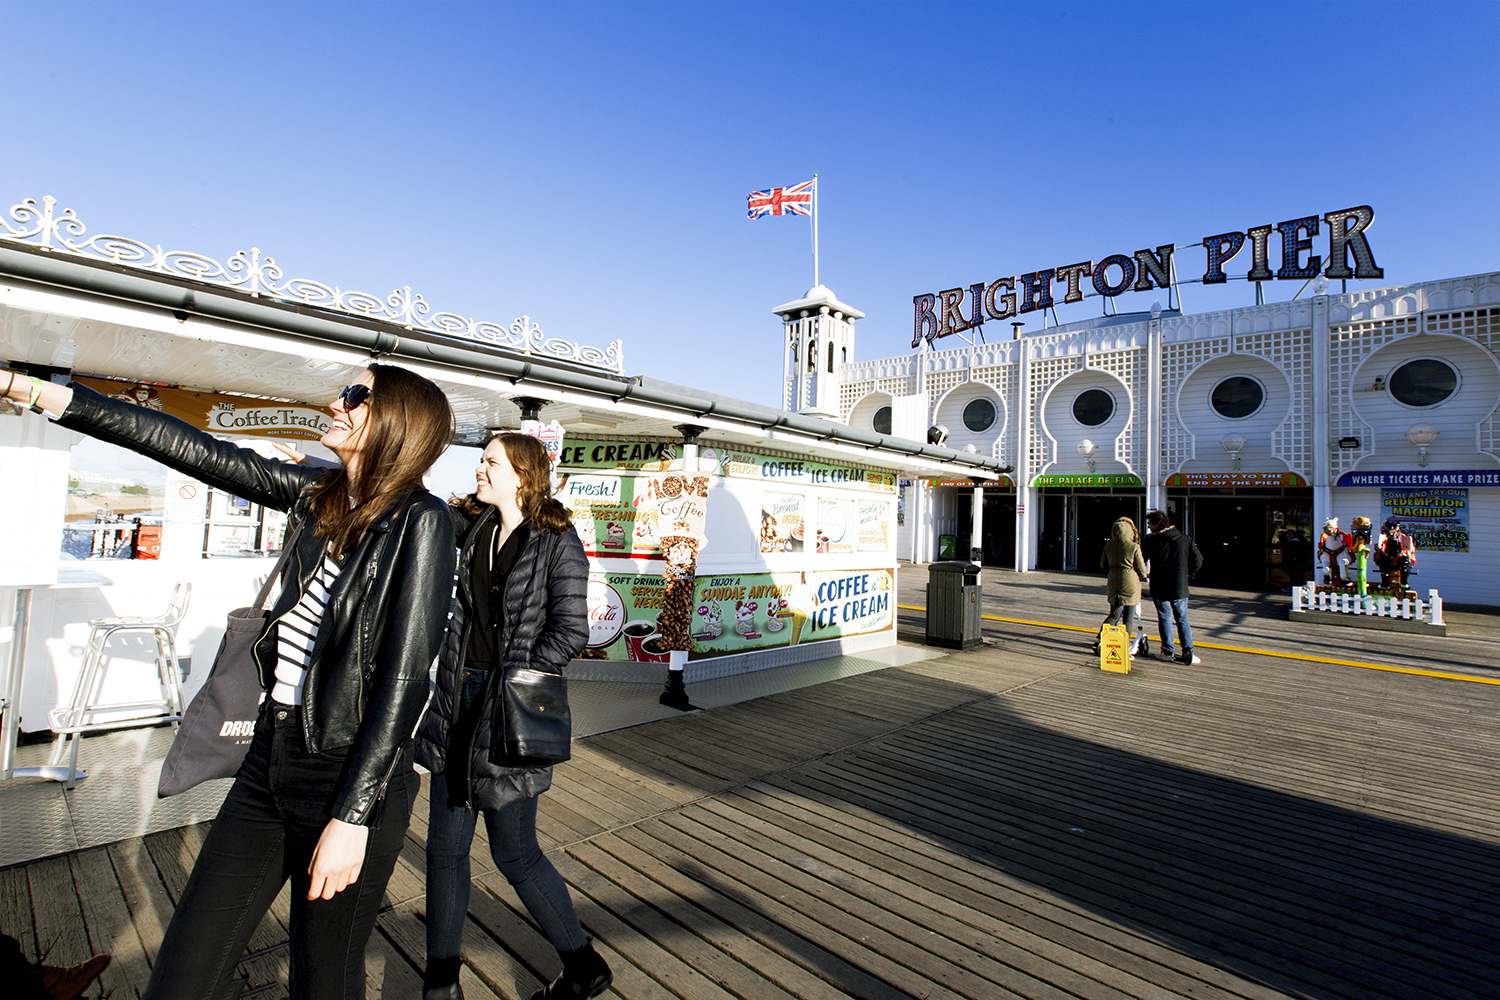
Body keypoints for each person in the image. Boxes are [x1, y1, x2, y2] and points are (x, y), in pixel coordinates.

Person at [2, 365, 457, 1000]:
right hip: (270, 761)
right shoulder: (317, 496)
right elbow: (188, 447)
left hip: (350, 776)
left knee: (324, 977)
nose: (335, 402)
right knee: (184, 972)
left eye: (355, 396)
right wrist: (40, 394)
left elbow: (405, 680)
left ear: (397, 421)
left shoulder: (423, 521)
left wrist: (353, 818)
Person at [414, 432, 611, 1000]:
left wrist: (518, 677)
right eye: (480, 461)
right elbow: (415, 505)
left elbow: (572, 628)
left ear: (521, 474)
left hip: (511, 710)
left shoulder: (556, 540)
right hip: (457, 700)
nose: (479, 469)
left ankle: (582, 966)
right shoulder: (472, 526)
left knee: (515, 854)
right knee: (444, 852)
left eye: (490, 462)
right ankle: (441, 985)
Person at [1141, 508, 1204, 665]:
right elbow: (1198, 560)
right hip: (1179, 585)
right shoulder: (1184, 539)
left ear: (1157, 524)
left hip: (1159, 585)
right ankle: (1188, 650)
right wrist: (1187, 573)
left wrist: (1143, 576)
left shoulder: (1150, 541)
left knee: (1165, 617)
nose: (1148, 526)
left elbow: (1141, 560)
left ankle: (1168, 651)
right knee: (1182, 618)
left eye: (1150, 523)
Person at [1096, 516, 1149, 656]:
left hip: (1113, 580)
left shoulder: (1108, 546)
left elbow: (1102, 564)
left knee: (1114, 613)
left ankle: (1102, 638)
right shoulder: (1133, 547)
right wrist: (1144, 575)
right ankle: (1124, 643)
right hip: (1130, 580)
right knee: (1129, 616)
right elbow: (1142, 569)